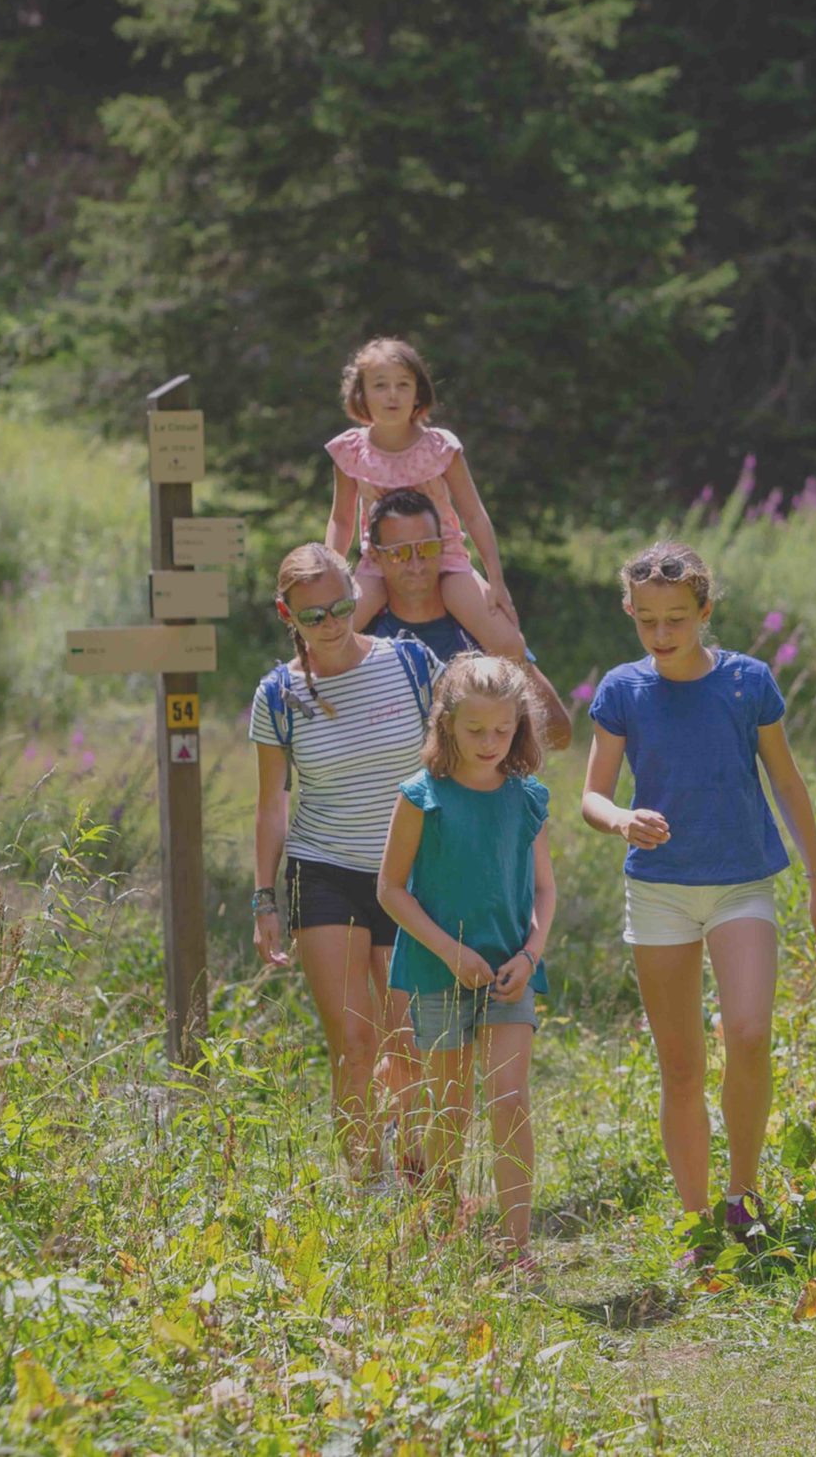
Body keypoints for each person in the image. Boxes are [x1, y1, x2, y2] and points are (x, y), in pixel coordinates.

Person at [579, 541, 816, 1249]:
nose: (662, 636)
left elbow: (786, 781)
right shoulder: (622, 691)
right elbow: (591, 795)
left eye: (677, 620)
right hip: (660, 891)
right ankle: (697, 1221)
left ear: (705, 612)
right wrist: (622, 819)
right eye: (648, 621)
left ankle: (741, 1196)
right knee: (683, 1064)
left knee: (750, 1032)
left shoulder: (747, 683)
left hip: (741, 884)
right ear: (630, 613)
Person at [249, 542, 439, 1190]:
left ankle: (417, 1183)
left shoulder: (410, 663)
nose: (330, 624)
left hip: (407, 872)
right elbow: (273, 802)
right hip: (322, 870)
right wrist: (262, 897)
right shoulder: (278, 693)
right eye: (313, 616)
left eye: (340, 607)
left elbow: (460, 754)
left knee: (409, 1041)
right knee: (355, 1045)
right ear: (286, 614)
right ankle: (364, 1187)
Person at [376, 657, 558, 1266]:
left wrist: (531, 954)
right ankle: (440, 1233)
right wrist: (451, 953)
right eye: (474, 729)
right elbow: (390, 890)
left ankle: (516, 1247)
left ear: (520, 726)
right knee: (449, 1105)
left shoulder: (526, 798)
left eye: (501, 731)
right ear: (445, 723)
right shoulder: (421, 797)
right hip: (437, 971)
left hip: (511, 975)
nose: (488, 743)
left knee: (509, 1099)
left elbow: (544, 891)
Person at [321, 336, 525, 659]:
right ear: (361, 393)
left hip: (446, 562)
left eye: (403, 384)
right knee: (328, 637)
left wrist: (496, 580)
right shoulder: (350, 452)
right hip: (379, 565)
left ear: (419, 392)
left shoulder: (440, 448)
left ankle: (510, 708)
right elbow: (341, 519)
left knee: (510, 643)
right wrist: (332, 578)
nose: (392, 395)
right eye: (380, 385)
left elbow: (474, 514)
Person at [362, 485, 574, 750]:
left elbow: (560, 734)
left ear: (443, 546)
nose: (415, 565)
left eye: (426, 548)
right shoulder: (362, 640)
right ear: (374, 554)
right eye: (399, 553)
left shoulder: (481, 629)